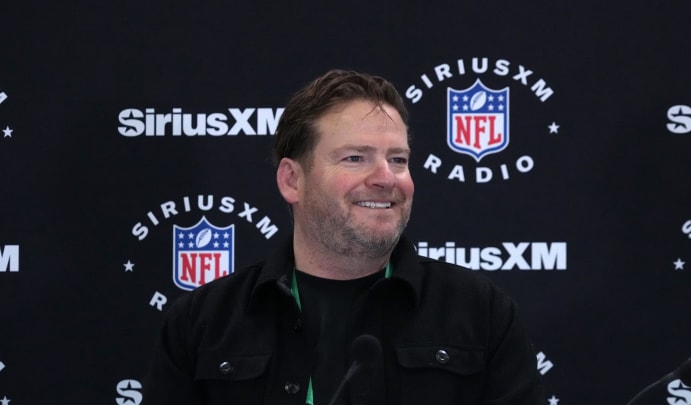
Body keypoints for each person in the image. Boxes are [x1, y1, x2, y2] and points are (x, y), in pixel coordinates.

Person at [142, 69, 544, 404]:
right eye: (356, 158)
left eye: (398, 160)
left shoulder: (482, 313)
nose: (386, 178)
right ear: (292, 180)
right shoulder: (202, 321)